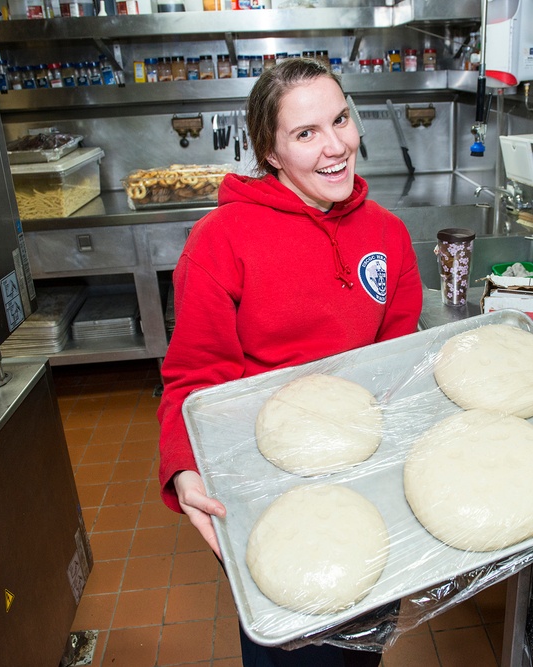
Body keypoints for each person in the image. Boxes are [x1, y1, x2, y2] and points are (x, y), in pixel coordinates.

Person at [156, 57, 423, 666]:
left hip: (365, 477)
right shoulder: (220, 242)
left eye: (341, 120)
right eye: (306, 134)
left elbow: (399, 360)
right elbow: (194, 374)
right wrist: (183, 466)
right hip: (268, 484)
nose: (336, 147)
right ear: (270, 152)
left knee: (363, 642)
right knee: (294, 649)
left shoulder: (388, 235)